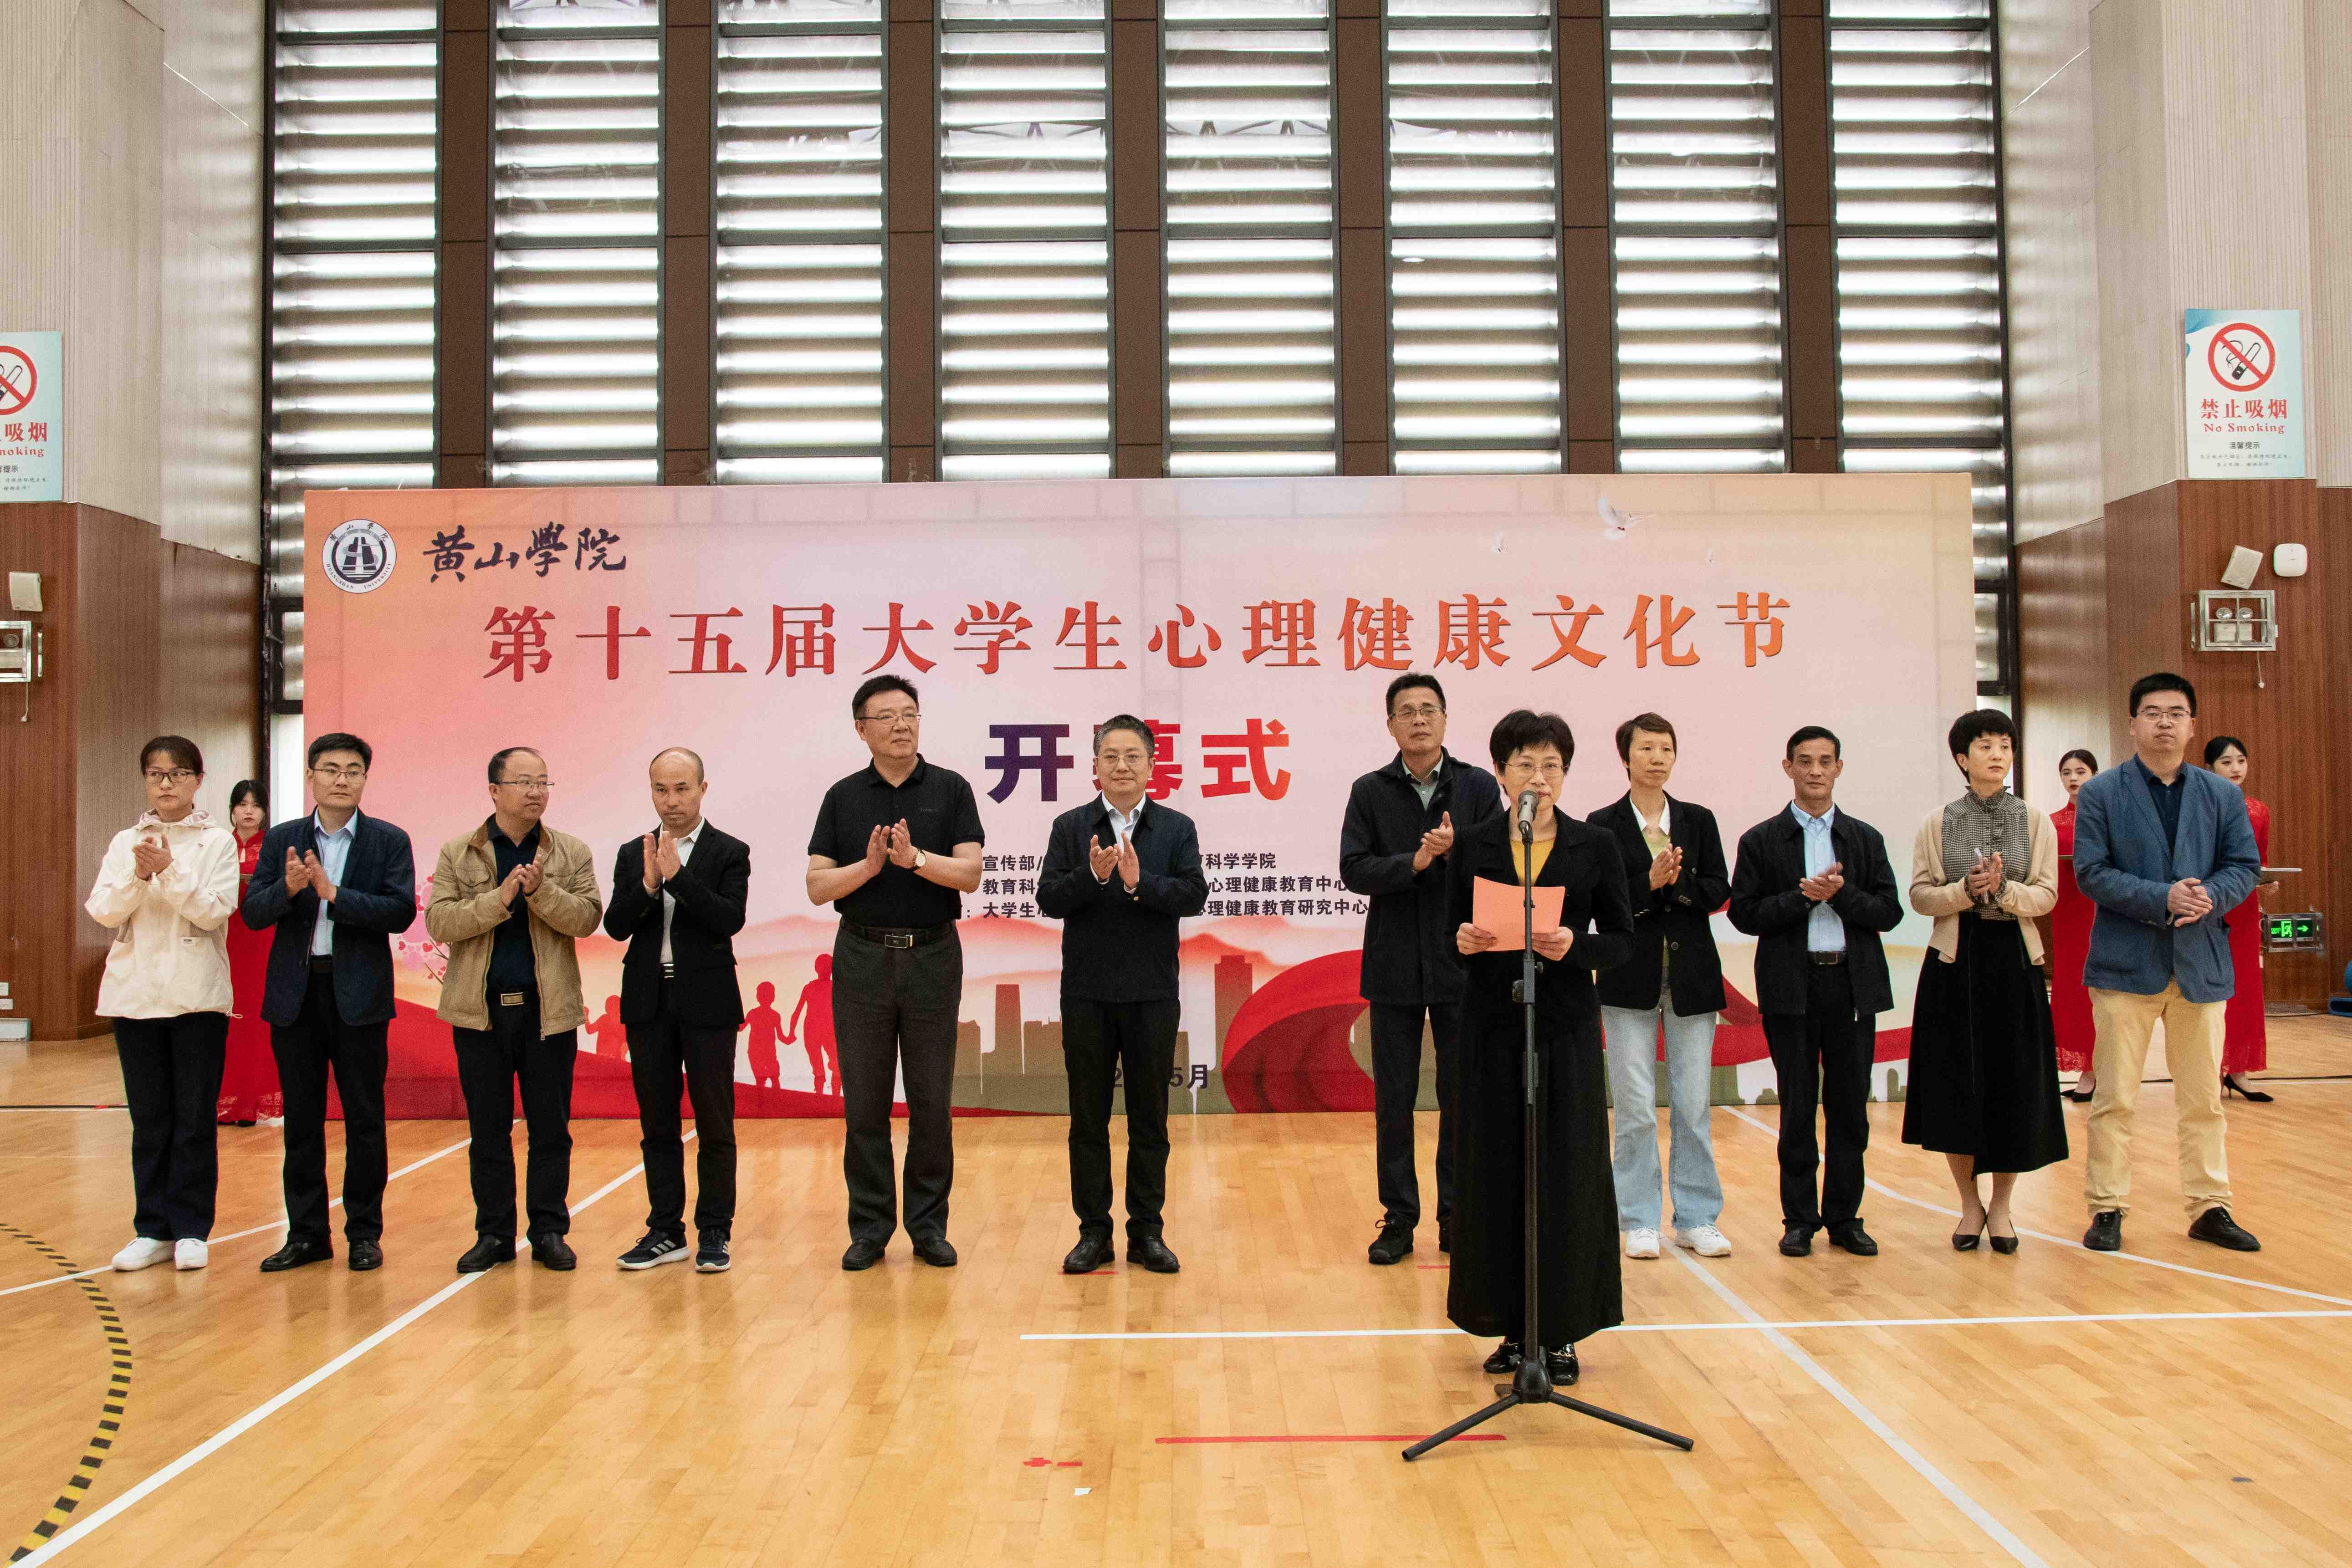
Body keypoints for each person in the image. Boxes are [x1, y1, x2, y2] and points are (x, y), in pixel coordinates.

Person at [1445, 710, 1633, 1386]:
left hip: (1563, 1030)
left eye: (1551, 765)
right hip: (1493, 1029)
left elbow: (1622, 940)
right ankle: (1508, 1325)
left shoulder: (1595, 844)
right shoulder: (1473, 844)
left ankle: (1561, 1331)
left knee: (1566, 1176)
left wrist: (1576, 946)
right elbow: (1448, 934)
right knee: (1496, 1174)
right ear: (1500, 774)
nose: (1539, 777)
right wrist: (1463, 940)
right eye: (1525, 764)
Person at [2073, 673, 2261, 1254]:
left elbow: (2243, 866)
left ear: (2191, 726)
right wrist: (2164, 897)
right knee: (2114, 1099)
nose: (2164, 722)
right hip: (2123, 966)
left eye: (2175, 713)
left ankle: (2210, 1206)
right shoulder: (2102, 792)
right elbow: (2091, 872)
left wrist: (2209, 896)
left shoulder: (2221, 795)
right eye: (2152, 712)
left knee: (2203, 1101)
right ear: (2132, 723)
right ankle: (2107, 1207)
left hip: (2200, 964)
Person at [805, 675, 985, 1271]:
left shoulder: (951, 788)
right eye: (886, 716)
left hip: (933, 954)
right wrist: (870, 866)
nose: (901, 724)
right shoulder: (842, 796)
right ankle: (870, 1227)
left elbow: (969, 874)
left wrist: (916, 860)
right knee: (865, 1103)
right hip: (862, 956)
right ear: (862, 729)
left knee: (932, 1101)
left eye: (910, 713)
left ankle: (928, 1226)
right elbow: (817, 885)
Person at [1337, 671, 1502, 1265]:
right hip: (1394, 962)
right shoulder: (1369, 790)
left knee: (1461, 1096)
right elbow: (1354, 869)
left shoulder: (1477, 786)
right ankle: (1399, 1218)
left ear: (1445, 719)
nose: (1418, 719)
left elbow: (1499, 865)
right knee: (1395, 1100)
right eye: (1406, 711)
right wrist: (1416, 860)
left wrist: (1457, 854)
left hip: (1463, 962)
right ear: (1391, 725)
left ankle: (1458, 1215)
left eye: (1429, 708)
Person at [1037, 715, 1209, 1276]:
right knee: (1087, 1119)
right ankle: (1093, 1232)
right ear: (1094, 766)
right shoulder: (1071, 827)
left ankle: (1147, 1231)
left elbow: (1193, 894)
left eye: (1133, 756)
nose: (1121, 766)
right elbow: (1048, 898)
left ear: (1152, 765)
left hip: (1152, 993)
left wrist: (1138, 883)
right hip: (1086, 993)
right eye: (1110, 756)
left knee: (1149, 1119)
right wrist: (1091, 875)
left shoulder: (1175, 827)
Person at [240, 733, 419, 1273]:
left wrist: (334, 894)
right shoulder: (283, 839)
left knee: (365, 1119)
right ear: (311, 776)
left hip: (359, 995)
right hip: (297, 996)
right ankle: (307, 1235)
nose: (342, 779)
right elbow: (253, 913)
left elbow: (400, 912)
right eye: (331, 768)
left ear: (365, 778)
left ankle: (364, 1233)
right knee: (301, 1121)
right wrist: (291, 888)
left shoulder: (388, 840)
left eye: (353, 770)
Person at [424, 746, 605, 1274]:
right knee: (488, 1130)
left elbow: (587, 918)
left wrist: (542, 891)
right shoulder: (459, 851)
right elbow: (439, 922)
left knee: (551, 1128)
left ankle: (548, 1231)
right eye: (524, 781)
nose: (536, 791)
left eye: (543, 782)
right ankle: (494, 1234)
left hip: (548, 1012)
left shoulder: (570, 851)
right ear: (494, 790)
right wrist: (499, 899)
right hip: (479, 1013)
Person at [1728, 725, 1903, 1260]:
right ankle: (1799, 1219)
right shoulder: (1761, 839)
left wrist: (1841, 894)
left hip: (1851, 986)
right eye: (1804, 761)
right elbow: (1744, 914)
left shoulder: (1864, 838)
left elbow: (1889, 912)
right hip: (1791, 987)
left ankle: (1845, 1218)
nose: (1815, 771)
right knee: (1797, 1107)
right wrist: (1802, 897)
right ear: (1788, 768)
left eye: (1825, 761)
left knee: (1850, 1109)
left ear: (1839, 768)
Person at [1900, 710, 2069, 1254]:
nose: (1997, 754)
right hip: (1954, 961)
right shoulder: (1937, 822)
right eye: (1984, 746)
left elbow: (2047, 894)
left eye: (2004, 745)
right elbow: (1920, 895)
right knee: (1955, 1085)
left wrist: (2005, 890)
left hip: (2014, 960)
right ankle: (1968, 1204)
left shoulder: (2034, 821)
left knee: (2013, 1085)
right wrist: (1965, 891)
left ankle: (2001, 1207)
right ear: (1961, 758)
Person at [86, 737, 240, 1273]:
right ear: (146, 781)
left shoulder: (217, 842)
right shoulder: (125, 841)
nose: (166, 783)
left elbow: (214, 911)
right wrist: (139, 874)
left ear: (198, 779)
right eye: (156, 774)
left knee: (194, 1117)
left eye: (177, 774)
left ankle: (192, 1228)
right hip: (134, 996)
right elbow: (103, 911)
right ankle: (151, 1228)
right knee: (149, 1119)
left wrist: (170, 871)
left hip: (197, 997)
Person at [1588, 713, 1732, 1263]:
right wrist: (1646, 884)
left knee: (1693, 1106)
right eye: (1646, 748)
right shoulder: (1602, 825)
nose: (1656, 758)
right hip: (1628, 978)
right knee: (1635, 1108)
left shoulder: (1698, 819)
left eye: (1665, 748)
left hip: (1691, 978)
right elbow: (1598, 902)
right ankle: (1639, 1218)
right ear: (1625, 757)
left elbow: (1718, 890)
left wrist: (1680, 882)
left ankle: (1697, 1217)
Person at [605, 748, 751, 1274]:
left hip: (708, 1002)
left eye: (682, 788)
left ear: (702, 789)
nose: (671, 800)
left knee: (715, 1122)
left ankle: (714, 1230)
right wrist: (649, 883)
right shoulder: (633, 852)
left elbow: (728, 919)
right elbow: (616, 925)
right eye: (661, 789)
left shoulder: (729, 850)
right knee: (657, 1123)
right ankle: (666, 1230)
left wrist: (679, 878)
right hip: (648, 1002)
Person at [2204, 735, 2273, 1103]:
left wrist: (2268, 882)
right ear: (2209, 768)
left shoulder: (2259, 811)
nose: (2235, 768)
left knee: (2244, 987)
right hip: (2207, 904)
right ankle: (2208, 1072)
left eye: (2241, 761)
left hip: (2244, 910)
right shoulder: (2198, 807)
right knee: (2209, 990)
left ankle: (2239, 1070)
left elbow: (2259, 863)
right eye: (2226, 761)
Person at [217, 780, 283, 1128]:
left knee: (256, 1019)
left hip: (261, 941)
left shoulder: (274, 847)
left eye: (255, 805)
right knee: (223, 1019)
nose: (248, 811)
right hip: (222, 939)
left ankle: (250, 1103)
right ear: (232, 809)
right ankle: (222, 1101)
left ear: (264, 812)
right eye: (242, 804)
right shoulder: (217, 845)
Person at [2050, 749, 2100, 1102]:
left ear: (2095, 775)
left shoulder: (2109, 817)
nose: (2073, 778)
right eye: (2066, 772)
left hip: (2102, 909)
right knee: (2074, 988)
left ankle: (2103, 1070)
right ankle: (2089, 1070)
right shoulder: (2051, 822)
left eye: (2080, 771)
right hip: (2067, 913)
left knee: (2105, 991)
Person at [788, 956, 839, 1096]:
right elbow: (797, 1012)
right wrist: (791, 1032)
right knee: (818, 1067)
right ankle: (820, 1096)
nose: (825, 969)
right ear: (817, 968)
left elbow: (844, 1011)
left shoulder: (835, 988)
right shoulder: (810, 988)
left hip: (829, 1031)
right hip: (812, 1031)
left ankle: (835, 1097)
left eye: (828, 966)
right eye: (823, 965)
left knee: (836, 1064)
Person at [743, 982, 784, 1090]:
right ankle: (769, 1098)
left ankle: (772, 1098)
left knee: (771, 1078)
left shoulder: (773, 1015)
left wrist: (789, 1039)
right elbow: (781, 1037)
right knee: (768, 1079)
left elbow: (740, 1028)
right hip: (758, 1051)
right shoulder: (770, 1015)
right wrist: (789, 1039)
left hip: (766, 1052)